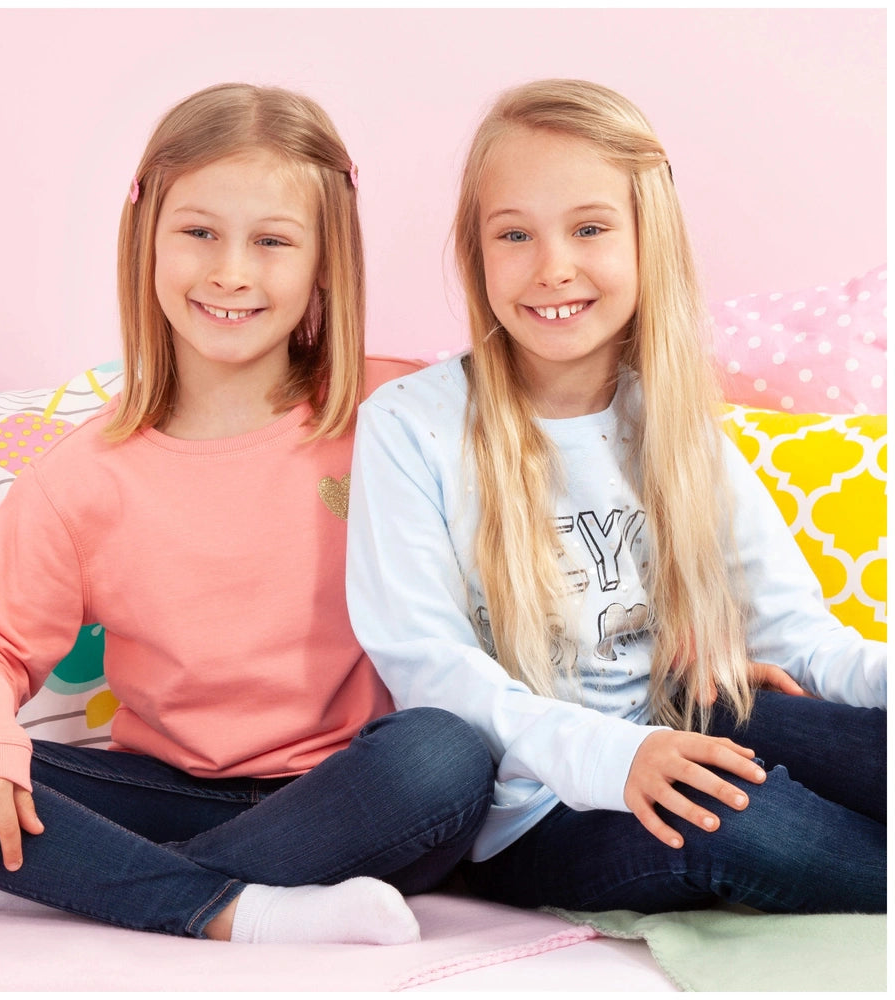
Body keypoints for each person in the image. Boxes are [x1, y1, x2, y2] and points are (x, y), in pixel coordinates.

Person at [0, 82, 495, 944]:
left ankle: (74, 880)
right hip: (164, 792)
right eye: (199, 233)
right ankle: (230, 910)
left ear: (325, 260)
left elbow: (547, 442)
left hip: (361, 794)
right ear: (147, 238)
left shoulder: (398, 408)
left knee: (445, 754)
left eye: (272, 242)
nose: (231, 272)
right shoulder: (81, 476)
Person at [346, 79, 886, 915]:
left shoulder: (673, 422)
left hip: (687, 729)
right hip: (539, 809)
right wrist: (619, 757)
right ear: (476, 251)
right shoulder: (410, 427)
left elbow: (799, 639)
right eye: (515, 234)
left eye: (589, 228)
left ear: (646, 240)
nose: (552, 266)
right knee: (735, 821)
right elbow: (432, 671)